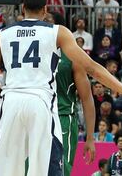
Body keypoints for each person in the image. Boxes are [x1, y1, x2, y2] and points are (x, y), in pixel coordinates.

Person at [0, 0, 122, 176]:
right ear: (45, 10)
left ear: (22, 8)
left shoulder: (0, 35)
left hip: (10, 104)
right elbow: (92, 67)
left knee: (5, 170)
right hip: (40, 102)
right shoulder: (58, 32)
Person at [46, 12, 96, 176]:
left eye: (48, 21)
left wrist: (90, 137)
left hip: (63, 118)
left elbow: (87, 98)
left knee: (61, 170)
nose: (42, 25)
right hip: (38, 115)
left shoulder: (72, 57)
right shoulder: (33, 53)